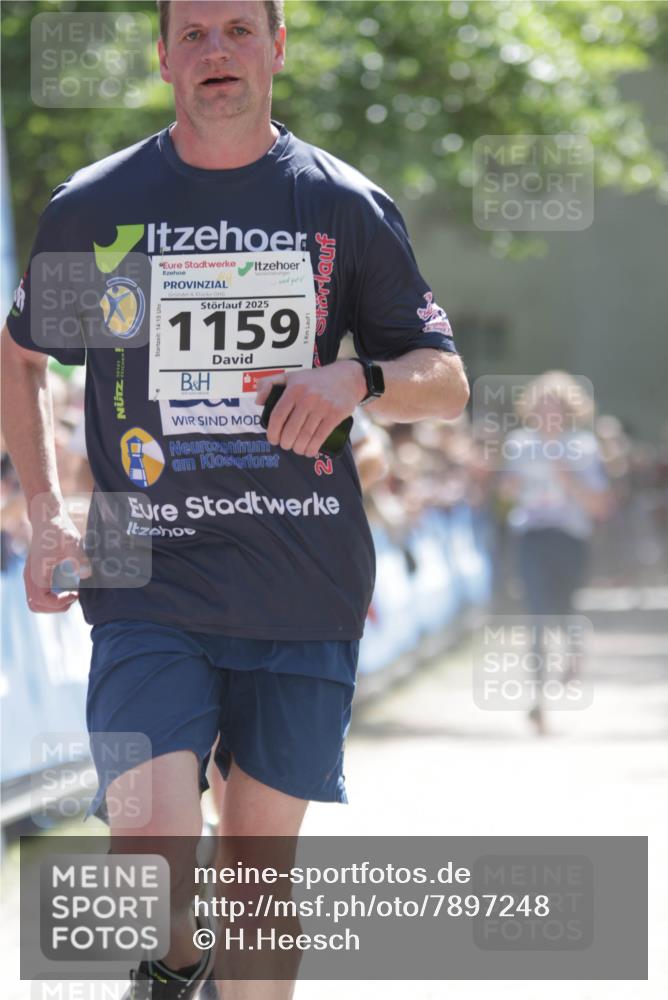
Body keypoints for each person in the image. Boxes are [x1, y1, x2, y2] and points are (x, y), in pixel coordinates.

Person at [0, 2, 469, 997]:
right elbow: (22, 355)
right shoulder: (103, 206)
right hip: (145, 566)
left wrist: (359, 381)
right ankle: (173, 963)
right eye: (196, 34)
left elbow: (444, 379)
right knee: (150, 841)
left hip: (301, 579)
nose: (217, 53)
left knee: (257, 875)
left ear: (277, 48)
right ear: (165, 55)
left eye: (238, 32)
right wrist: (45, 509)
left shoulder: (341, 205)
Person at [499, 371, 611, 734]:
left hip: (571, 537)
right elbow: (504, 495)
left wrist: (568, 478)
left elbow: (599, 504)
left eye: (556, 407)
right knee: (537, 616)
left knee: (565, 613)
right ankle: (538, 700)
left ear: (568, 410)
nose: (548, 413)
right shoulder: (519, 444)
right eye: (542, 406)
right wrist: (509, 485)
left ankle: (574, 655)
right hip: (532, 536)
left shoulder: (584, 446)